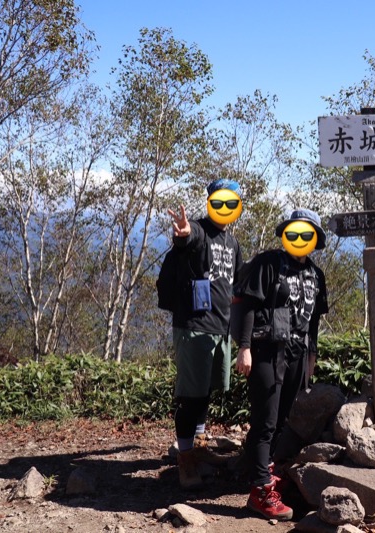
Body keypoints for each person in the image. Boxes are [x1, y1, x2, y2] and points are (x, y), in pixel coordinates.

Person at [234, 208, 328, 521]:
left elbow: (313, 320)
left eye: (306, 234)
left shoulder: (316, 274)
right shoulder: (268, 263)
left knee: (281, 419)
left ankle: (260, 472)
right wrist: (244, 348)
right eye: (294, 232)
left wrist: (312, 354)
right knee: (266, 420)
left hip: (297, 353)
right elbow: (247, 304)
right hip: (266, 351)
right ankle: (260, 492)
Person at [166, 178, 244, 490]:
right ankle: (185, 459)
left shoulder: (232, 243)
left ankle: (198, 444)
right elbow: (188, 239)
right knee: (191, 395)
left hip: (220, 327)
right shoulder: (199, 230)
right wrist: (183, 234)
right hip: (195, 327)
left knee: (207, 391)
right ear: (210, 201)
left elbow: (236, 287)